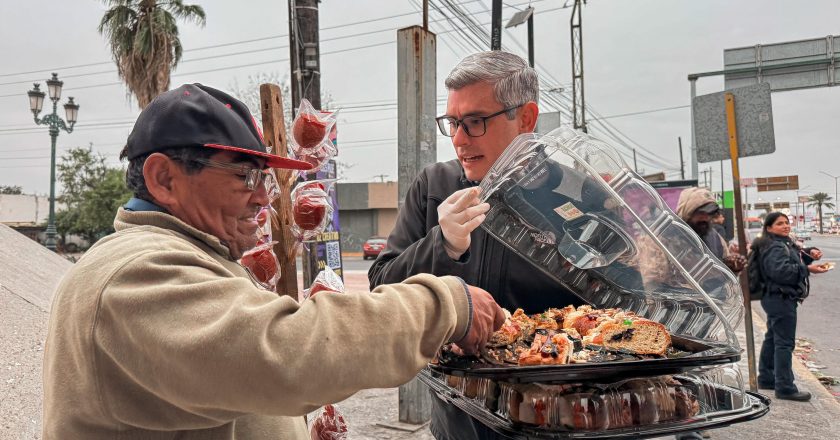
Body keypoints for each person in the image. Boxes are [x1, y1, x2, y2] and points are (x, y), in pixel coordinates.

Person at [41, 84, 506, 439]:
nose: (265, 198)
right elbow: (290, 353)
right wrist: (447, 303)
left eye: (264, 177)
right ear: (164, 178)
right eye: (245, 176)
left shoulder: (190, 257)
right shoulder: (134, 275)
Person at [368, 51, 584, 440]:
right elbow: (382, 285)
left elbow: (619, 314)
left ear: (527, 118)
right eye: (453, 123)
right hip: (458, 421)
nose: (458, 140)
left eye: (476, 122)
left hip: (551, 421)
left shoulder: (580, 197)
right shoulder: (434, 186)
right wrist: (444, 244)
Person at [753, 212, 827, 401]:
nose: (785, 226)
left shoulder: (782, 243)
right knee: (784, 343)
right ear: (769, 228)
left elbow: (795, 259)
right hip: (780, 298)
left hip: (776, 298)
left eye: (787, 223)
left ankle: (767, 378)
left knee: (772, 338)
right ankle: (785, 387)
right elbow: (781, 272)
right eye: (780, 223)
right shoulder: (774, 247)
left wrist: (810, 254)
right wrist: (807, 269)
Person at [676, 187, 746, 273]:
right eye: (701, 213)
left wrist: (732, 266)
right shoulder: (664, 238)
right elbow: (657, 278)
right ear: (687, 213)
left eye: (709, 213)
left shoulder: (716, 239)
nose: (705, 218)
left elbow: (726, 280)